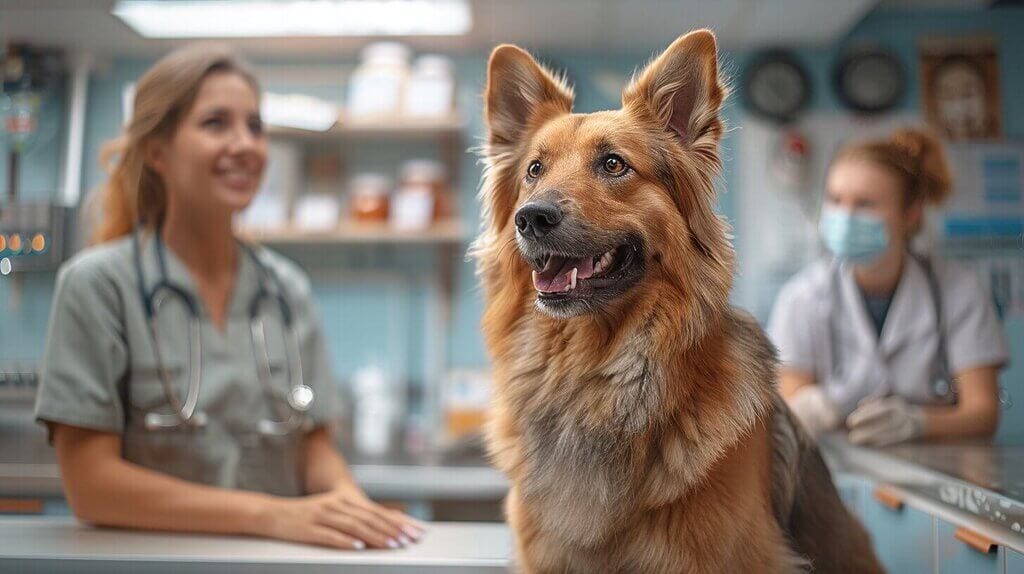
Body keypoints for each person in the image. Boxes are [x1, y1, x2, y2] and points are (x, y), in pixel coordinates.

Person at [34, 44, 423, 550]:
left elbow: (313, 448)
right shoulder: (98, 286)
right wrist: (271, 516)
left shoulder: (286, 289)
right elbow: (91, 485)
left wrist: (349, 508)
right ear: (157, 151)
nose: (245, 144)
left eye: (255, 126)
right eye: (216, 123)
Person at [769, 127, 1009, 447]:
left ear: (910, 214)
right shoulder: (801, 298)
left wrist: (919, 423)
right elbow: (791, 400)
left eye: (865, 204)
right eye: (835, 200)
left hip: (936, 477)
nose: (845, 216)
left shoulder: (959, 292)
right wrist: (811, 407)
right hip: (832, 477)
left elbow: (983, 413)